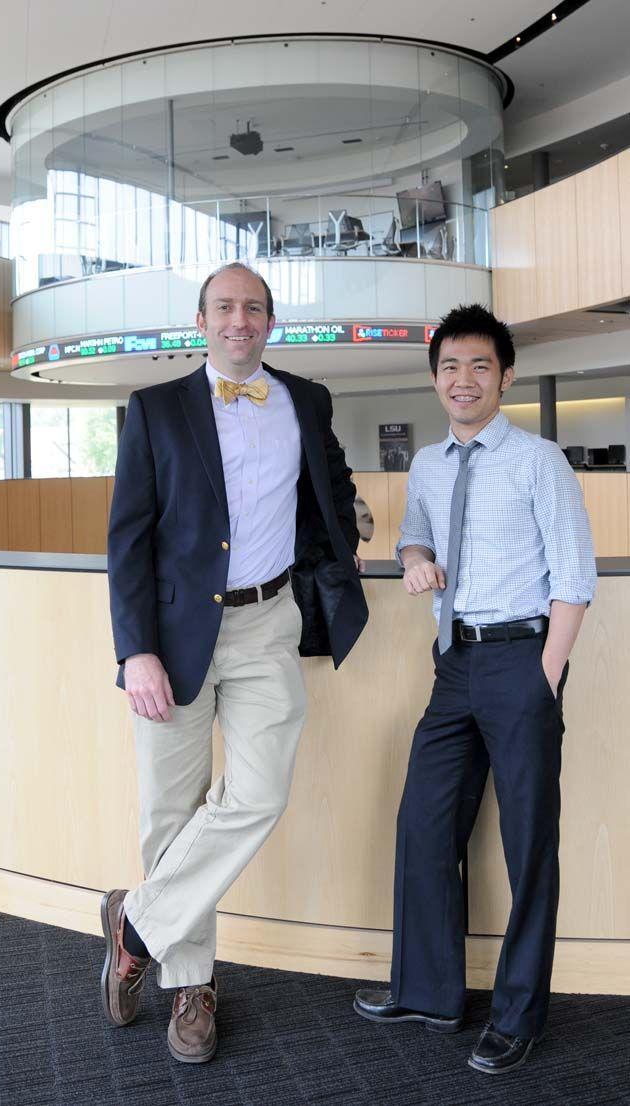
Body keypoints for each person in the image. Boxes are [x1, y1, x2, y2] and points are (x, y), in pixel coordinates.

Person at [102, 261, 368, 1062]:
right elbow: (127, 541)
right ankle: (192, 987)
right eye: (225, 307)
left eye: (253, 307)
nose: (239, 320)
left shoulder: (306, 400)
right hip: (177, 635)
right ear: (202, 319)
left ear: (270, 320)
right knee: (171, 812)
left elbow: (331, 482)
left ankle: (135, 923)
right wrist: (136, 650)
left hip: (268, 623)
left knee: (258, 792)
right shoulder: (153, 410)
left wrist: (345, 536)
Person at [354, 304, 596, 1075]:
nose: (464, 379)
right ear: (435, 378)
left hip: (521, 661)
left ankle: (521, 1014)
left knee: (528, 846)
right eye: (451, 366)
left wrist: (545, 677)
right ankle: (429, 989)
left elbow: (575, 579)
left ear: (506, 376)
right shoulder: (426, 465)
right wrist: (418, 556)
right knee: (424, 825)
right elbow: (414, 535)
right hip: (453, 663)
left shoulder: (539, 461)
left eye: (480, 366)